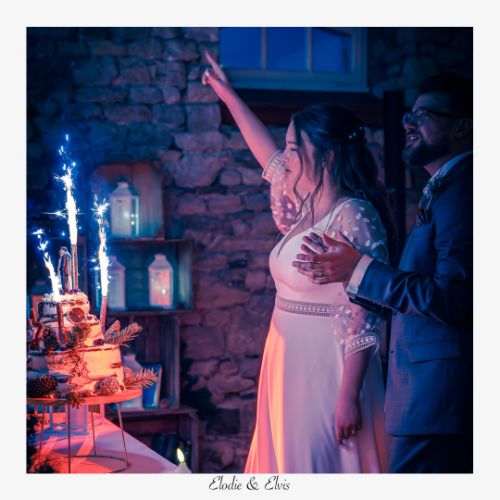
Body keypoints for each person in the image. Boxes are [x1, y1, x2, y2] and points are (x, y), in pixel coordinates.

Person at [202, 52, 395, 473]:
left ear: (327, 156)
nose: (285, 157)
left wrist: (348, 397)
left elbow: (365, 317)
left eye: (294, 148)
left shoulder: (353, 216)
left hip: (326, 370)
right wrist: (228, 95)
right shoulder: (304, 202)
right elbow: (266, 155)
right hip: (285, 361)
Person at [294, 73, 473, 473]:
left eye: (424, 115)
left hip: (440, 396)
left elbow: (453, 297)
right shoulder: (444, 187)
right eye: (409, 115)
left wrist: (358, 268)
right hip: (421, 394)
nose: (408, 124)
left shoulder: (465, 191)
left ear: (463, 127)